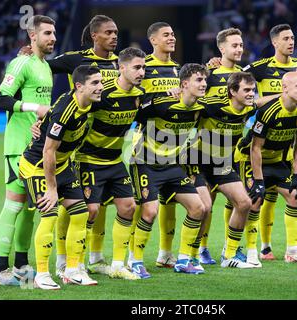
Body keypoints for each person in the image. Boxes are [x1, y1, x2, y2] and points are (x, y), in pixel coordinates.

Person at [242, 24, 297, 260]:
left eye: (293, 38)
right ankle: (262, 247)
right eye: (286, 38)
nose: (291, 42)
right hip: (259, 137)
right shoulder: (261, 67)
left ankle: (295, 247)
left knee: (295, 195)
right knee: (260, 198)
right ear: (275, 43)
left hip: (284, 144)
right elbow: (237, 85)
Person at [19, 65, 103, 289]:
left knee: (80, 214)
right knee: (50, 214)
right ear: (79, 86)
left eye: (100, 82)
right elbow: (48, 151)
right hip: (38, 165)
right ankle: (42, 275)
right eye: (95, 83)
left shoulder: (88, 102)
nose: (100, 87)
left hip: (62, 163)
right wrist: (51, 188)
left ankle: (72, 270)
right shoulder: (65, 111)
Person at [128, 63, 208, 278]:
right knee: (150, 211)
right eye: (199, 80)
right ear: (184, 84)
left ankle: (183, 260)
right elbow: (133, 112)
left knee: (198, 208)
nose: (204, 84)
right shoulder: (162, 103)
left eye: (205, 80)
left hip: (172, 166)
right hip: (145, 163)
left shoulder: (201, 108)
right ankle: (134, 260)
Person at [0, 15, 55, 286]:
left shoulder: (45, 67)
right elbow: (2, 99)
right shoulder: (21, 63)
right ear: (32, 36)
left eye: (54, 33)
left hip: (37, 148)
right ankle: (0, 269)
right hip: (18, 146)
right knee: (14, 205)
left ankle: (20, 264)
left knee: (32, 207)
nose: (52, 38)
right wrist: (33, 108)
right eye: (47, 34)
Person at [75, 47, 147, 280]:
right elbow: (74, 107)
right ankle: (76, 263)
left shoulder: (139, 95)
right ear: (121, 67)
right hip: (89, 159)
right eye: (136, 67)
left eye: (144, 67)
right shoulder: (102, 93)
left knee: (128, 207)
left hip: (115, 160)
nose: (141, 72)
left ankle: (117, 265)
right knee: (91, 210)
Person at [195, 72, 278, 268]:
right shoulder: (212, 106)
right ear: (232, 91)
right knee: (203, 209)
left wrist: (282, 95)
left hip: (223, 164)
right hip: (200, 162)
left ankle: (229, 255)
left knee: (244, 203)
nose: (252, 94)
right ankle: (192, 254)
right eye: (247, 90)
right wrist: (174, 93)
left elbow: (260, 102)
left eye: (253, 90)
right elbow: (189, 102)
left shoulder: (247, 109)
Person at [248, 71, 297, 263]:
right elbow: (255, 148)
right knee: (255, 200)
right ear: (284, 88)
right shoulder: (269, 112)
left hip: (278, 162)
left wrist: (296, 176)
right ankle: (252, 252)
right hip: (253, 160)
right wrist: (259, 181)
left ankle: (293, 252)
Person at [127, 22, 182, 269]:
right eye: (166, 35)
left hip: (175, 147)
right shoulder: (143, 68)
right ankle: (132, 256)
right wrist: (161, 98)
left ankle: (166, 253)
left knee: (169, 202)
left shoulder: (178, 70)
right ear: (153, 40)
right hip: (146, 146)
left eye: (173, 34)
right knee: (145, 206)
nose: (172, 38)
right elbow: (135, 104)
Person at [197, 27, 244, 265]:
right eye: (234, 45)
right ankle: (201, 248)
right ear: (221, 48)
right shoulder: (210, 74)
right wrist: (206, 67)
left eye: (241, 45)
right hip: (207, 145)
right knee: (208, 203)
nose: (239, 49)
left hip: (233, 147)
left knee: (237, 201)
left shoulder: (246, 75)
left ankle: (231, 246)